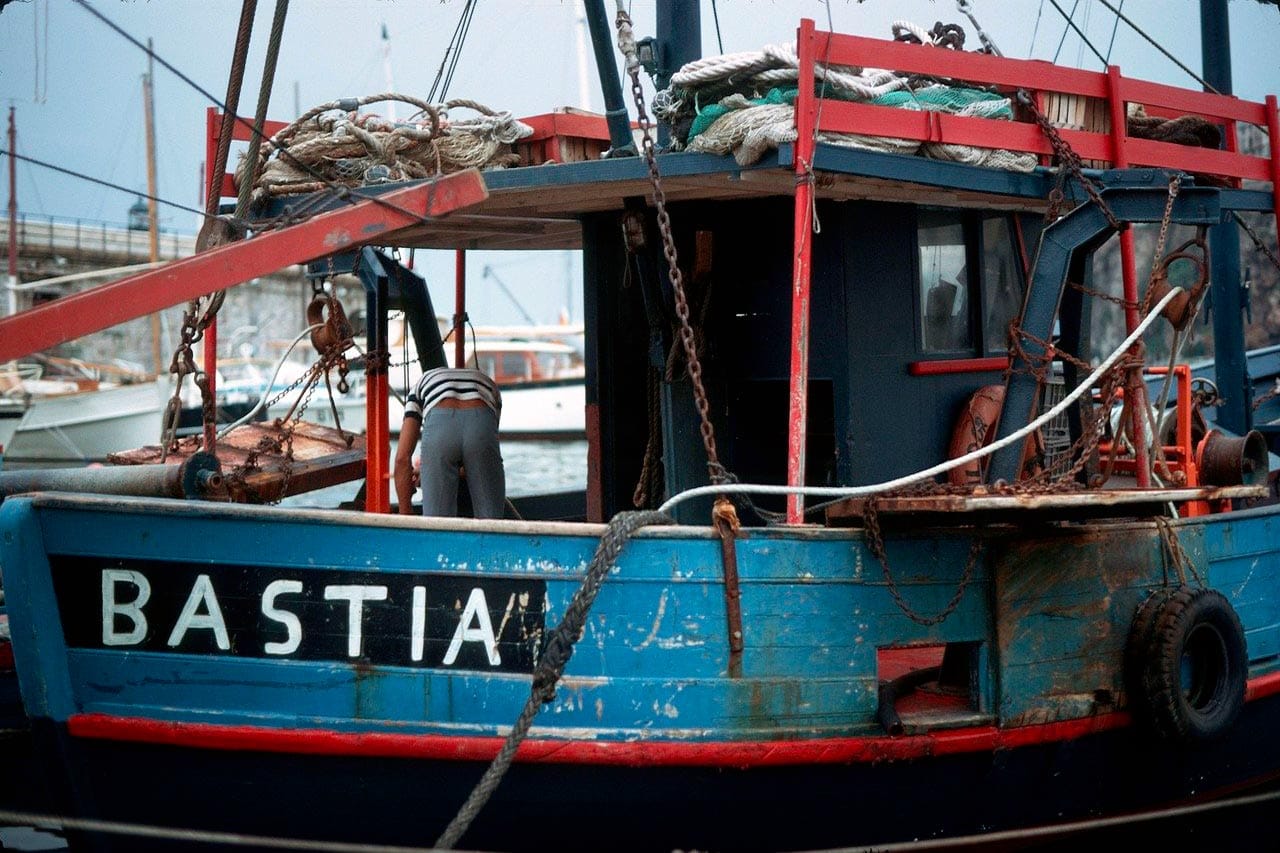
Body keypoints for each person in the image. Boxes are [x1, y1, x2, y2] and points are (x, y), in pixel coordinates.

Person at [395, 366, 505, 518]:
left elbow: (402, 459)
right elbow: (476, 455)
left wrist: (405, 512)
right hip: (481, 413)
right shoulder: (490, 385)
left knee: (437, 527)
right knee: (492, 523)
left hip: (439, 427)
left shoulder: (419, 386)